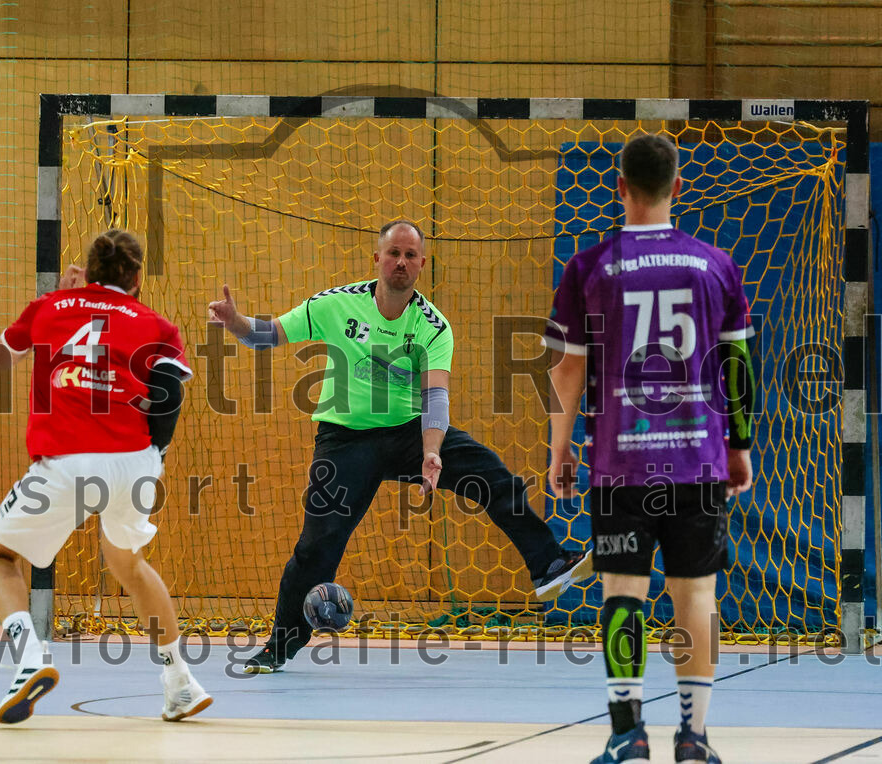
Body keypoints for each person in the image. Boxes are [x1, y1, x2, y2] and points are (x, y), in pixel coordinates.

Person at [208, 219, 594, 674]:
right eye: (393, 253)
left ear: (421, 265)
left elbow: (436, 397)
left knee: (492, 476)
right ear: (377, 258)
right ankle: (279, 647)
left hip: (411, 432)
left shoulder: (433, 326)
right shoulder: (337, 304)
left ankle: (548, 563)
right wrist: (236, 322)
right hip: (345, 439)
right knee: (317, 548)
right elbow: (268, 334)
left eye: (411, 256)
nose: (401, 262)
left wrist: (432, 451)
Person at [545, 134, 755, 764]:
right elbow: (736, 363)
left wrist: (560, 447)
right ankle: (694, 738)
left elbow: (565, 371)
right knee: (695, 596)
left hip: (621, 466)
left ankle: (627, 733)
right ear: (678, 188)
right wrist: (739, 446)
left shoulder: (588, 266)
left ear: (620, 188)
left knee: (623, 594)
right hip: (698, 459)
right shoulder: (715, 264)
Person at [0, 230, 212, 723]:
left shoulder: (51, 307)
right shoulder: (157, 325)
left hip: (66, 460)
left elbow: (0, 358)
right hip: (131, 461)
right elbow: (168, 396)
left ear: (88, 270)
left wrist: (51, 299)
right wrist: (154, 458)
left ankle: (30, 662)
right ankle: (179, 683)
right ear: (138, 277)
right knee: (129, 565)